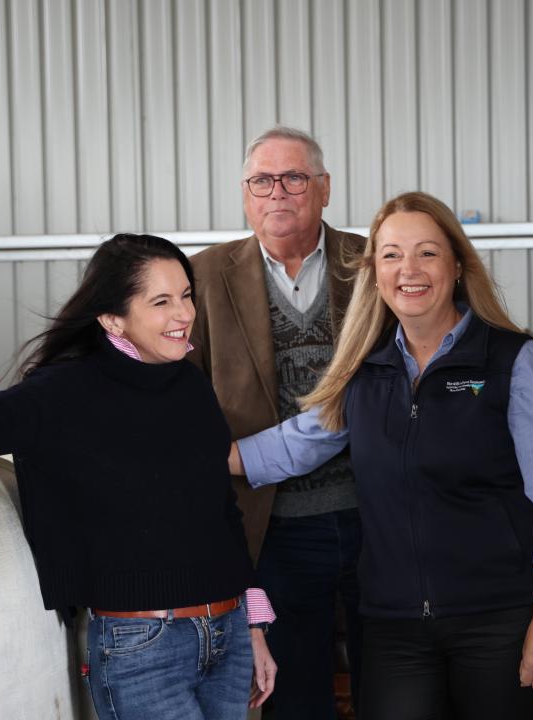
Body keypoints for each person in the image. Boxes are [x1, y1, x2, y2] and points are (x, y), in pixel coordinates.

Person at [230, 191, 533, 720]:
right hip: (392, 629)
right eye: (392, 255)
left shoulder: (513, 359)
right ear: (374, 272)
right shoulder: (363, 370)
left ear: (458, 265)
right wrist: (188, 461)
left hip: (497, 622)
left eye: (427, 252)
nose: (409, 270)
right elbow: (295, 443)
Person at [0, 234, 278, 720]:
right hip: (142, 646)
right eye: (161, 301)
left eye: (186, 295)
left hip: (227, 634)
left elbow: (221, 511)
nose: (184, 313)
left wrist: (253, 623)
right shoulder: (60, 391)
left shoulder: (189, 383)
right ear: (111, 317)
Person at [189, 126, 365, 718]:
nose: (277, 194)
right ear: (245, 193)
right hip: (271, 526)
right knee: (295, 696)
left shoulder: (373, 262)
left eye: (294, 178)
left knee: (396, 684)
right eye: (261, 181)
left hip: (380, 516)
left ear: (324, 189)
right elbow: (179, 390)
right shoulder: (204, 276)